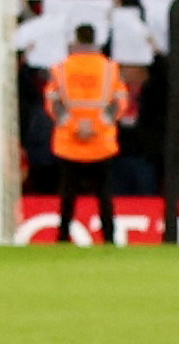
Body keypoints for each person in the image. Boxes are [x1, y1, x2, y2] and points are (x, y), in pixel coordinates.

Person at [40, 30, 128, 244]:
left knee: (67, 195)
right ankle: (109, 239)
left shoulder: (60, 68)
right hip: (102, 141)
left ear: (76, 40)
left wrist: (74, 126)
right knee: (104, 195)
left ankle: (62, 238)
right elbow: (121, 101)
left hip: (69, 142)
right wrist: (97, 125)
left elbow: (53, 102)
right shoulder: (110, 68)